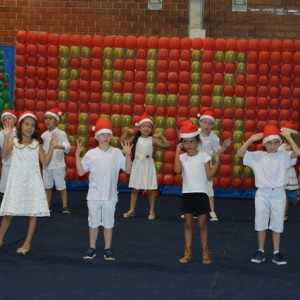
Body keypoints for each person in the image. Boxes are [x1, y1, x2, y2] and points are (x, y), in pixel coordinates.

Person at [237, 124, 300, 265]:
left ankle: (276, 252)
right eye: (269, 142)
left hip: (278, 193)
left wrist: (289, 138)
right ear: (264, 144)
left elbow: (298, 152)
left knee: (277, 222)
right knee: (261, 221)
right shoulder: (258, 156)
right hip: (262, 193)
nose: (272, 145)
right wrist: (250, 139)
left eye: (276, 142)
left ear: (279, 143)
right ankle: (260, 250)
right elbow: (240, 153)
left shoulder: (284, 156)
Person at [0, 111, 57, 254]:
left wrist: (51, 147)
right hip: (16, 181)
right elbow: (4, 155)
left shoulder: (37, 144)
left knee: (32, 213)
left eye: (32, 125)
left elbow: (44, 161)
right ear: (20, 126)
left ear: (35, 128)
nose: (29, 128)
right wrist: (6, 137)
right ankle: (0, 238)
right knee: (8, 213)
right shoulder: (14, 143)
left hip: (32, 182)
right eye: (26, 124)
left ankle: (27, 243)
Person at [75, 117, 132, 260]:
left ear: (111, 136)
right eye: (102, 134)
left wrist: (128, 155)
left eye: (108, 134)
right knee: (93, 222)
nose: (105, 137)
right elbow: (81, 172)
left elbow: (128, 169)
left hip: (110, 195)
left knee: (108, 223)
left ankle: (108, 248)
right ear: (97, 137)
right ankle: (92, 247)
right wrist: (77, 156)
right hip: (94, 195)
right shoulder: (91, 154)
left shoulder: (117, 153)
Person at [174, 120, 220, 264]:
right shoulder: (182, 157)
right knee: (188, 223)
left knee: (201, 224)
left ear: (197, 141)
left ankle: (205, 251)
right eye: (185, 142)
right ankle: (188, 251)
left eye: (191, 142)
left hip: (201, 193)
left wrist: (217, 163)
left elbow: (209, 176)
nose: (188, 145)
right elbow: (176, 170)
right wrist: (177, 152)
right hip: (187, 194)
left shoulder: (204, 156)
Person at [121, 114, 169, 220]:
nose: (146, 128)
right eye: (144, 126)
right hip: (137, 165)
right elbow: (122, 142)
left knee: (151, 190)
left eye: (149, 126)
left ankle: (152, 211)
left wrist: (161, 136)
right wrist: (126, 133)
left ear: (151, 129)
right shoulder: (135, 138)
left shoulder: (152, 139)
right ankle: (131, 210)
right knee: (135, 189)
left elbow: (166, 145)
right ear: (139, 128)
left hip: (148, 165)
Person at [197, 107, 232, 221]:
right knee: (194, 188)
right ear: (200, 122)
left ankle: (211, 211)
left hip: (207, 165)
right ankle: (194, 210)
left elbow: (217, 152)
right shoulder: (195, 134)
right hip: (194, 164)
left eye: (209, 123)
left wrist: (225, 147)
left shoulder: (214, 138)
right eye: (205, 122)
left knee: (208, 188)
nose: (207, 125)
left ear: (213, 125)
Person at [42, 107, 71, 214]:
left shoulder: (61, 133)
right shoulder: (44, 135)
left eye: (50, 118)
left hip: (58, 165)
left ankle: (65, 206)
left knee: (61, 186)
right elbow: (41, 149)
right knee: (47, 186)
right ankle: (47, 206)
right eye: (46, 118)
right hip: (47, 165)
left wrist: (61, 146)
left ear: (56, 121)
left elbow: (67, 145)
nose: (48, 121)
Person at [278, 121, 299, 222]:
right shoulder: (283, 144)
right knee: (281, 194)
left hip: (285, 171)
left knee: (282, 194)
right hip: (280, 170)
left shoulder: (288, 146)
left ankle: (284, 215)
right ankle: (281, 213)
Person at [0, 110, 17, 196]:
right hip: (7, 168)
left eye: (9, 118)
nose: (7, 121)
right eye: (4, 119)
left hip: (19, 168)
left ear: (15, 120)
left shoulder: (21, 133)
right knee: (5, 193)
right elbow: (4, 154)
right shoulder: (1, 134)